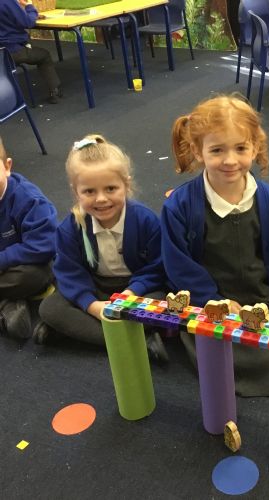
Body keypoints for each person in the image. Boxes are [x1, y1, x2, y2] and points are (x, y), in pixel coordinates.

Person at [161, 94, 269, 397]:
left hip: (259, 297)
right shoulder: (180, 206)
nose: (230, 160)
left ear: (255, 147)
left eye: (240, 148)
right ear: (197, 151)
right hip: (208, 302)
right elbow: (178, 265)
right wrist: (214, 300)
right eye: (217, 150)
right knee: (217, 349)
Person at [35, 134, 168, 363]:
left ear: (126, 185)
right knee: (50, 308)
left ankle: (77, 333)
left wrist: (133, 291)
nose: (101, 199)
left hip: (136, 290)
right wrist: (92, 306)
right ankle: (137, 341)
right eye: (89, 191)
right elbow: (69, 274)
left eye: (110, 188)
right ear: (76, 192)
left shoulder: (146, 221)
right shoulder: (70, 228)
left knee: (166, 301)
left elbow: (158, 267)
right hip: (96, 288)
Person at [0, 135, 57, 339]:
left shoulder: (28, 199)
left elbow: (44, 246)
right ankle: (9, 305)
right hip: (5, 272)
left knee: (33, 277)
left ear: (7, 167)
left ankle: (9, 302)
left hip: (29, 264)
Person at [0, 0, 62, 104]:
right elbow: (27, 22)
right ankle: (55, 92)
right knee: (44, 55)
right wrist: (30, 7)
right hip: (11, 51)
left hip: (3, 50)